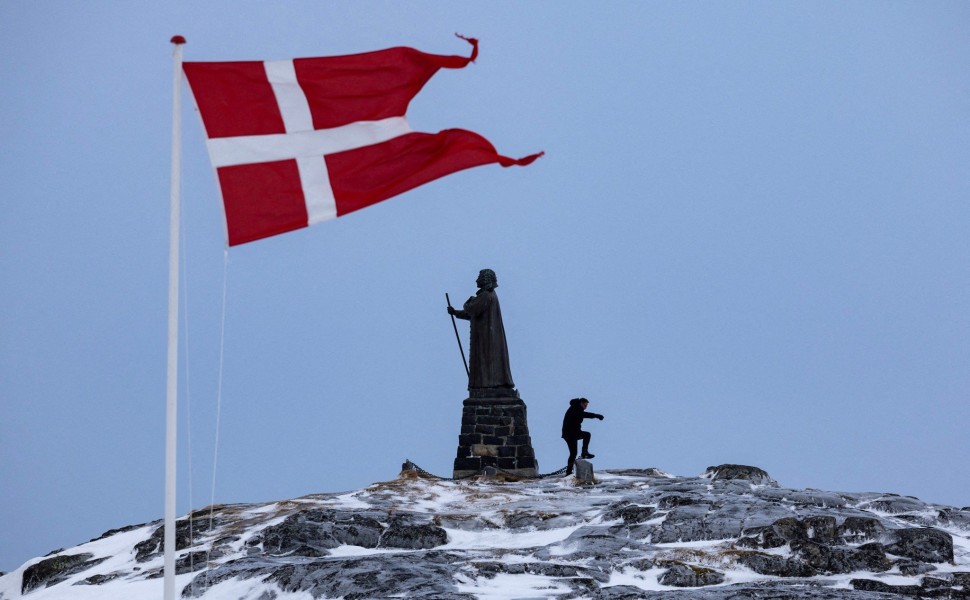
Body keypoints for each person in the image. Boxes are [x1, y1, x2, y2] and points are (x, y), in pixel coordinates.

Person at [447, 269, 515, 393]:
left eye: (479, 277)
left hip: (486, 338)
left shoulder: (486, 295)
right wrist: (455, 312)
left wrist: (468, 302)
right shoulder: (489, 295)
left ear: (485, 279)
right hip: (486, 336)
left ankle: (486, 384)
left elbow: (472, 309)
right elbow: (474, 314)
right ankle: (486, 383)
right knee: (486, 361)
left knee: (486, 360)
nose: (476, 280)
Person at [561, 397, 604, 474]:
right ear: (581, 403)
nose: (586, 407)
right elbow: (583, 414)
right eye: (585, 405)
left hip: (571, 433)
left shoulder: (576, 408)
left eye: (586, 405)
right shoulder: (575, 408)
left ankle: (569, 471)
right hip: (570, 433)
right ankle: (584, 452)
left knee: (573, 453)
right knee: (587, 435)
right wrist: (596, 415)